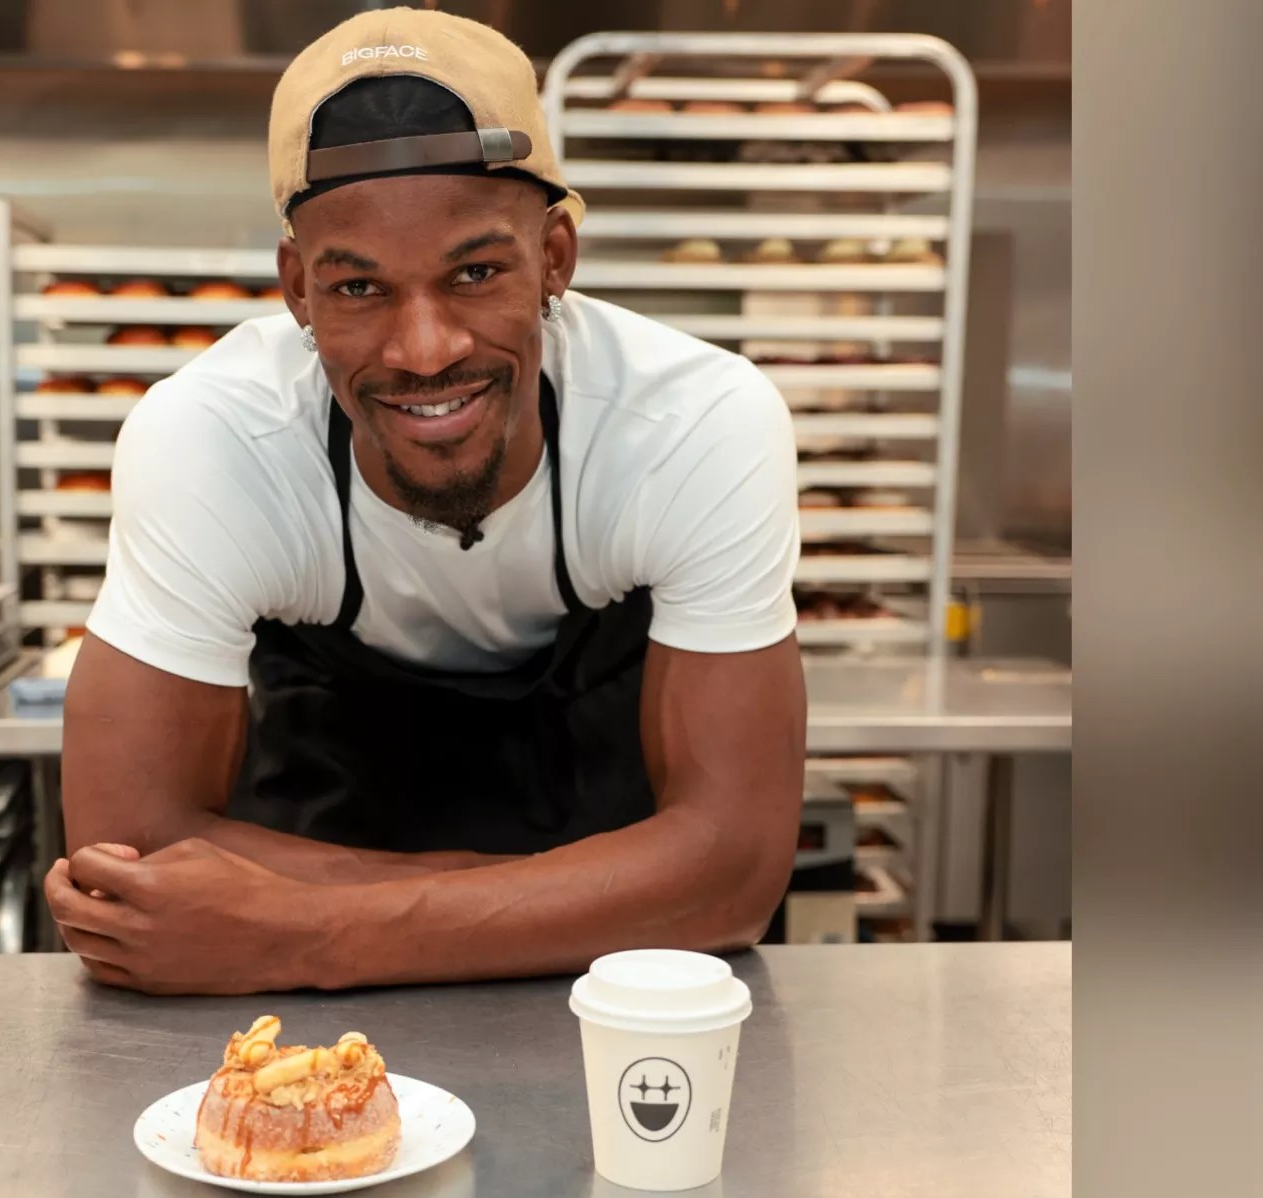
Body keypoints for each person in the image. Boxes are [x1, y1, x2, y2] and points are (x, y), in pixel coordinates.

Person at [45, 8, 807, 995]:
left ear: (557, 260)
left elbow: (733, 877)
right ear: (295, 292)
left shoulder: (693, 423)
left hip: (609, 1010)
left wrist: (302, 933)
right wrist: (618, 891)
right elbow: (127, 865)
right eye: (359, 288)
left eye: (476, 272)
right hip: (365, 1020)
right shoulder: (215, 440)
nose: (424, 349)